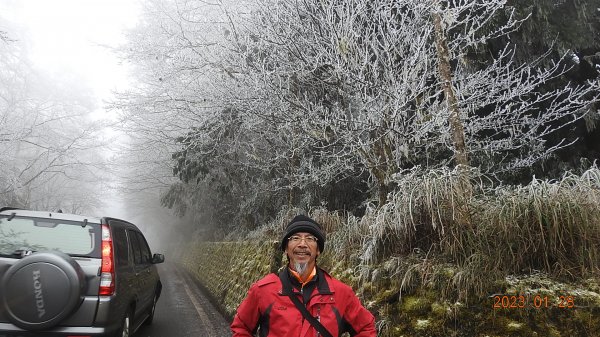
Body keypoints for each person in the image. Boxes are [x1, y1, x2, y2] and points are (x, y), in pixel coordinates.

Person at [231, 215, 377, 337]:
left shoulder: (341, 293)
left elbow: (366, 328)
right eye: (295, 238)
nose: (302, 244)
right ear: (286, 249)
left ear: (318, 250)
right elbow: (241, 327)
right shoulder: (263, 291)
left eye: (310, 239)